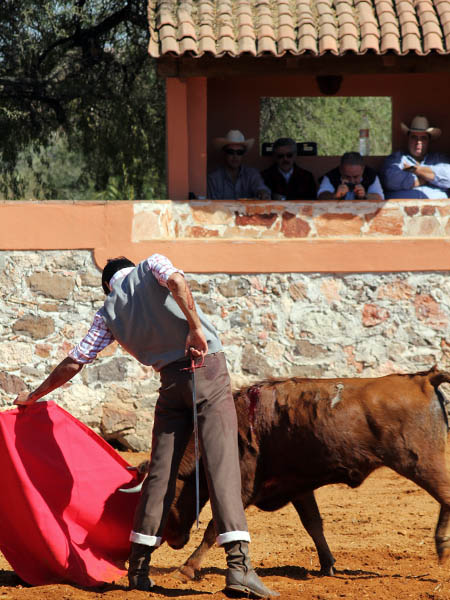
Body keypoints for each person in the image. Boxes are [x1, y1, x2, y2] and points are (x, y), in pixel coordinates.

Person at [14, 254, 277, 599]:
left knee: (160, 473)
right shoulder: (150, 264)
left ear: (107, 284)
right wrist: (195, 327)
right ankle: (239, 568)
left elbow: (75, 360)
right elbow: (178, 282)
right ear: (128, 267)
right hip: (206, 371)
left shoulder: (108, 312)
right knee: (222, 465)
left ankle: (139, 569)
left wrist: (33, 396)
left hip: (170, 385)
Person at [381, 115, 450, 199]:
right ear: (408, 139)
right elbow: (390, 180)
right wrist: (428, 178)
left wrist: (413, 169)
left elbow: (448, 177)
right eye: (414, 137)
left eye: (423, 138)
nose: (418, 142)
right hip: (400, 210)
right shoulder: (397, 159)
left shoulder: (439, 159)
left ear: (428, 141)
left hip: (439, 210)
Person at [207, 130, 271, 200]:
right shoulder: (214, 179)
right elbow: (212, 206)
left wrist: (263, 193)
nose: (235, 156)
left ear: (243, 155)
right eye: (231, 152)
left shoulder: (252, 174)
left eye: (239, 152)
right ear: (224, 153)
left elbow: (260, 187)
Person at [317, 151, 384, 201]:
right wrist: (335, 196)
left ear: (363, 169)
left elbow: (379, 198)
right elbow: (321, 196)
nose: (352, 181)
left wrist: (364, 196)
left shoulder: (371, 175)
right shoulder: (331, 176)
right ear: (340, 170)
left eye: (356, 177)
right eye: (347, 176)